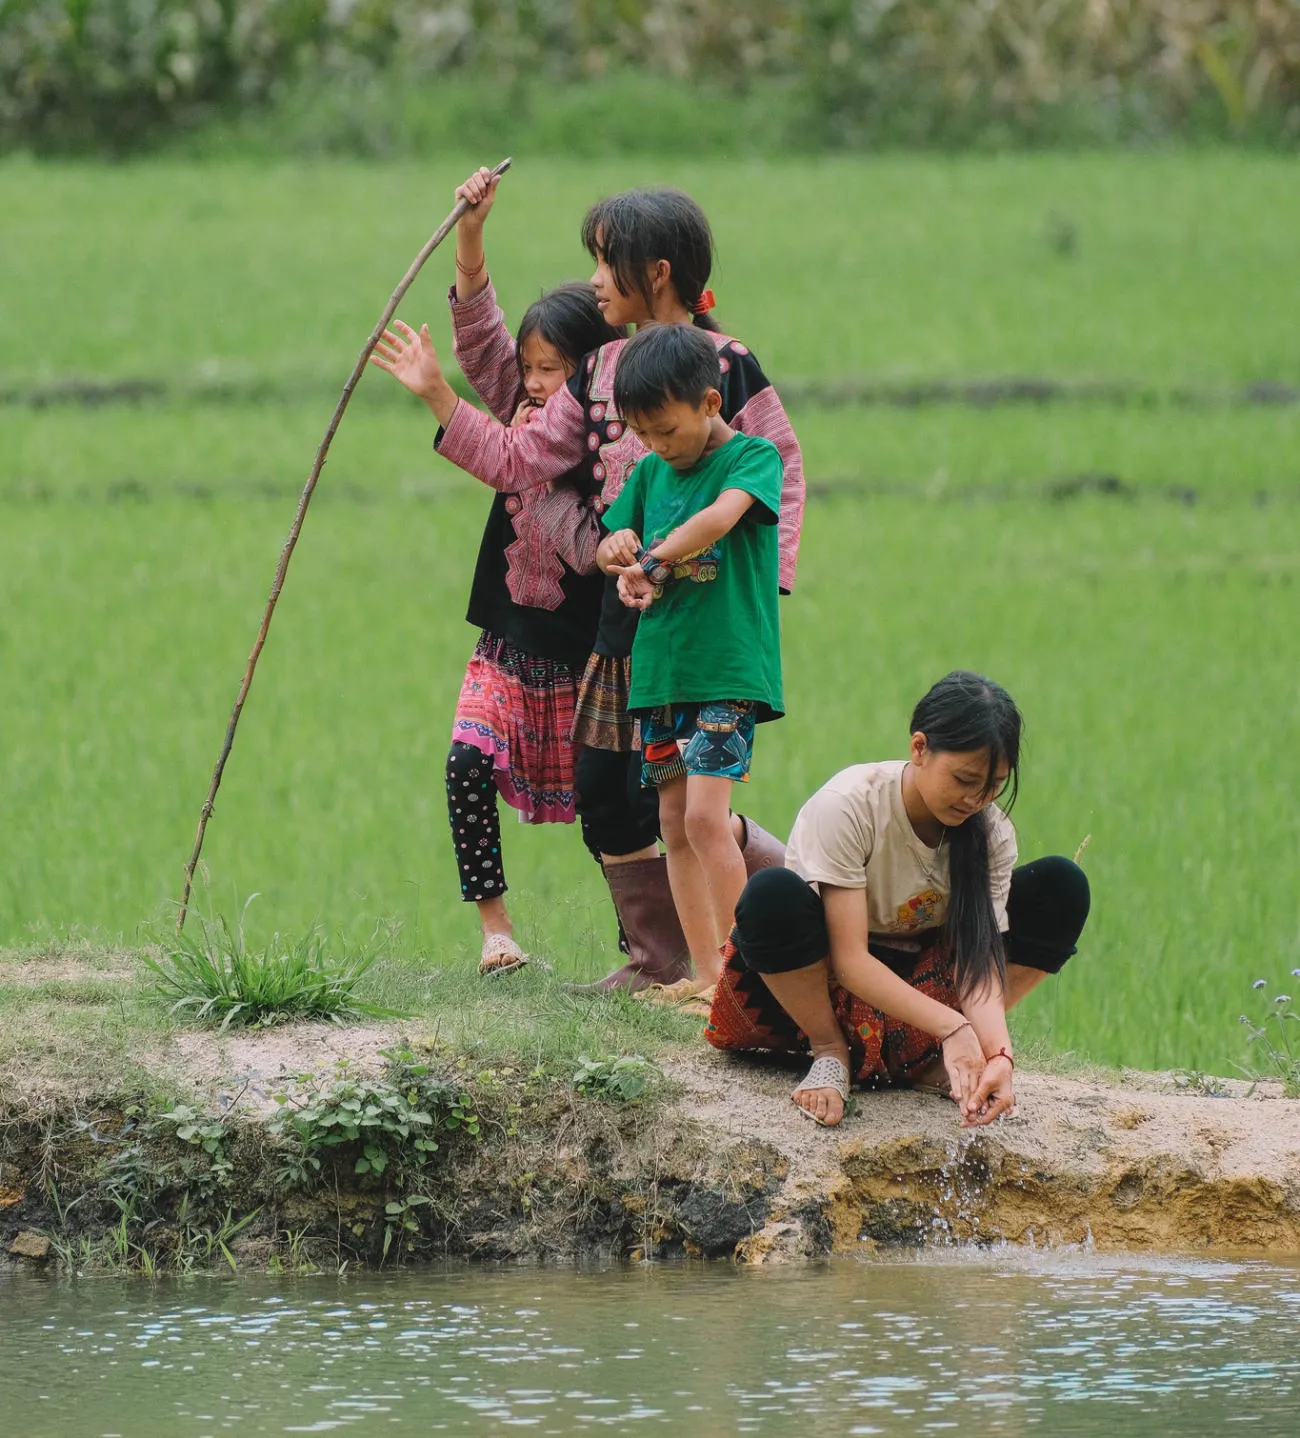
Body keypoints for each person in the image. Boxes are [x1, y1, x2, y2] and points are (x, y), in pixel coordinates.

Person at [374, 175, 804, 989]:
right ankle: (671, 965)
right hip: (626, 615)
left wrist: (761, 590)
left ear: (658, 272)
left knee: (690, 807)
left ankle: (761, 937)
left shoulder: (727, 365)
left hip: (710, 618)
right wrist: (439, 398)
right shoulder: (596, 369)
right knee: (614, 795)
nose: (595, 282)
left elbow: (780, 469)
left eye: (607, 266)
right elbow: (517, 455)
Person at [370, 171, 623, 975]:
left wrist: (446, 400)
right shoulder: (526, 403)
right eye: (532, 367)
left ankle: (648, 946)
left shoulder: (614, 453)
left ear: (595, 375)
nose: (537, 384)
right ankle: (496, 933)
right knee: (467, 763)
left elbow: (579, 537)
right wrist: (471, 232)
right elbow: (481, 338)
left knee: (610, 807)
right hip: (509, 641)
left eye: (555, 370)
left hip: (586, 653)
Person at [705, 671, 1092, 1127]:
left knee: (1061, 887)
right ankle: (830, 1051)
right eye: (964, 779)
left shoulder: (991, 833)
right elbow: (849, 959)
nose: (976, 799)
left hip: (927, 982)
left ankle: (928, 1060)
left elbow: (978, 961)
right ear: (919, 748)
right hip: (828, 978)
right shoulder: (850, 805)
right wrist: (953, 1025)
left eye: (992, 786)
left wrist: (998, 1052)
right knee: (770, 897)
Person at [596, 324, 785, 1007]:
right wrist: (618, 550)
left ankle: (752, 975)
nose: (657, 446)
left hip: (726, 671)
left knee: (708, 818)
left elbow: (719, 520)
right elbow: (610, 546)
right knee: (672, 823)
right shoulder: (648, 472)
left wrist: (651, 557)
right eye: (642, 434)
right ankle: (706, 978)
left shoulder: (753, 459)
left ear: (710, 402)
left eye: (667, 429)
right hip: (662, 674)